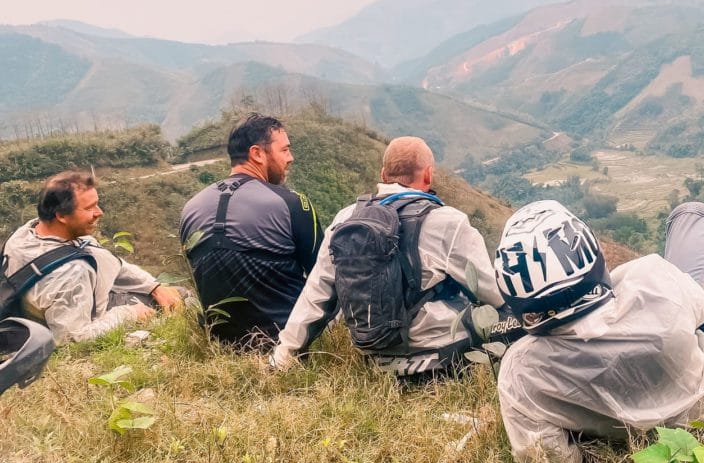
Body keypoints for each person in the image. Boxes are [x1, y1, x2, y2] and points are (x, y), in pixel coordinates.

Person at [494, 200, 704, 463]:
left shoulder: (519, 371)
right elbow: (703, 310)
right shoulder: (651, 281)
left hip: (631, 438)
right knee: (694, 215)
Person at [271, 136, 520, 377]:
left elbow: (316, 294)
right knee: (514, 314)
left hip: (374, 355)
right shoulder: (448, 222)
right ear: (428, 175)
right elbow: (493, 294)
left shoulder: (347, 219)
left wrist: (283, 356)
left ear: (383, 174)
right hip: (441, 358)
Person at [180, 113, 323, 347]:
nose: (291, 158)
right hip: (287, 347)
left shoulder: (190, 207)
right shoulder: (293, 204)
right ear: (257, 154)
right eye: (285, 150)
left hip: (218, 346)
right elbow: (324, 274)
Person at [2, 171, 182, 345]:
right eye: (89, 208)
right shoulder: (70, 274)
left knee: (168, 293)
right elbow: (72, 338)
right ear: (62, 216)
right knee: (182, 296)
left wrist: (154, 287)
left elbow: (110, 262)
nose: (99, 212)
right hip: (84, 313)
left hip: (90, 293)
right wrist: (129, 313)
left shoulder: (28, 232)